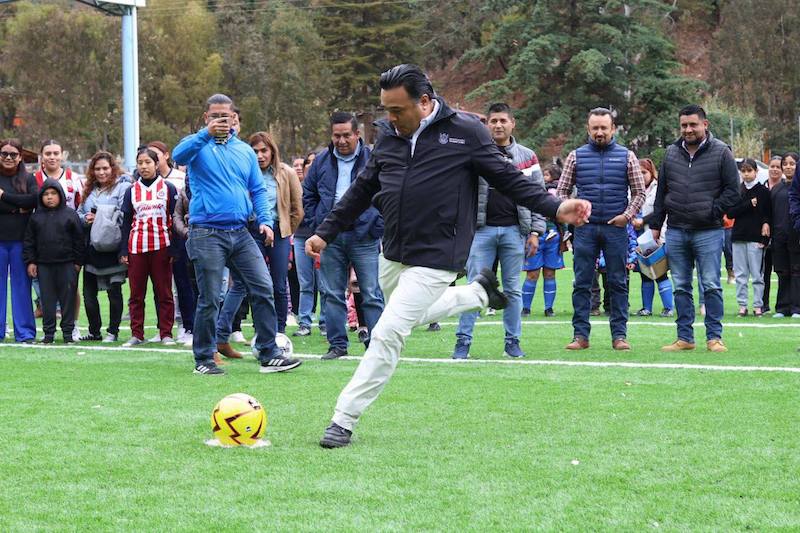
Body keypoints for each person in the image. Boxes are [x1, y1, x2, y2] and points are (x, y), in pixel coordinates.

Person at [305, 64, 590, 448]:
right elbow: (360, 190)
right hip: (393, 250)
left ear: (424, 102)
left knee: (388, 331)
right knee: (404, 317)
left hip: (439, 254)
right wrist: (325, 231)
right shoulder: (389, 136)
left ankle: (343, 419)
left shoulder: (466, 133)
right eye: (385, 110)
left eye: (396, 111)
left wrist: (555, 208)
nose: (388, 119)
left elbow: (507, 179)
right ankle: (476, 295)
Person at [172, 93, 301, 375]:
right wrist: (205, 135)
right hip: (207, 232)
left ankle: (268, 354)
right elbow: (176, 156)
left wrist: (265, 222)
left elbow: (256, 189)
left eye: (226, 116)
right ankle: (204, 359)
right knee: (209, 297)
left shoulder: (244, 151)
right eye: (215, 116)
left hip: (241, 231)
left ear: (234, 119)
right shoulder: (196, 147)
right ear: (206, 118)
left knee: (263, 287)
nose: (221, 121)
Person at [452, 102, 547, 359]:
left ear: (512, 123)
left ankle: (512, 342)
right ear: (487, 125)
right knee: (474, 287)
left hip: (515, 231)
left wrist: (536, 232)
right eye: (493, 121)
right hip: (481, 231)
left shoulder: (527, 156)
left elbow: (538, 195)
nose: (498, 125)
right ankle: (463, 342)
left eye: (503, 120)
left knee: (513, 289)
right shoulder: (475, 154)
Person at [650, 104, 741, 352]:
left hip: (709, 231)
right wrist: (656, 225)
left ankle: (714, 337)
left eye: (693, 124)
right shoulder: (670, 153)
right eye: (684, 125)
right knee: (680, 285)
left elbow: (733, 191)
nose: (688, 129)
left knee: (711, 284)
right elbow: (662, 191)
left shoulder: (722, 152)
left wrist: (712, 211)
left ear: (705, 125)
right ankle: (685, 338)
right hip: (677, 230)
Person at [556, 107, 646, 351]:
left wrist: (626, 217)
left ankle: (619, 336)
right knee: (582, 283)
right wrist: (572, 215)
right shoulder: (576, 156)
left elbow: (640, 192)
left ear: (612, 129)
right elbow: (561, 192)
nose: (599, 132)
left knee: (618, 282)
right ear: (588, 129)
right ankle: (580, 336)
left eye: (603, 128)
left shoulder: (627, 156)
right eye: (594, 128)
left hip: (616, 229)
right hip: (585, 230)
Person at [302, 112, 384, 360]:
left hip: (365, 235)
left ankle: (378, 345)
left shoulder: (374, 159)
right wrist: (319, 224)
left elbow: (386, 193)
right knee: (331, 293)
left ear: (357, 134)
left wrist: (376, 222)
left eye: (347, 135)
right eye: (336, 135)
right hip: (331, 237)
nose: (341, 140)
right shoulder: (321, 162)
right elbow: (309, 195)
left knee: (371, 292)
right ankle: (337, 345)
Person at [214, 131, 303, 357]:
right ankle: (221, 334)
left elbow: (297, 208)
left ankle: (277, 333)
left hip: (279, 232)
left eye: (264, 150)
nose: (260, 155)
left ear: (272, 151)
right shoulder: (243, 172)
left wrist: (285, 230)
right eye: (255, 151)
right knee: (242, 284)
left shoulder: (287, 173)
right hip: (249, 232)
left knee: (278, 284)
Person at [119, 147, 178, 347]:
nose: (144, 167)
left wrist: (175, 249)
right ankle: (137, 334)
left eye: (148, 162)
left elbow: (174, 218)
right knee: (136, 294)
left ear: (156, 164)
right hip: (137, 247)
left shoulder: (168, 188)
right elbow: (126, 222)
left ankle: (166, 333)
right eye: (140, 163)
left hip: (162, 246)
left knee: (164, 292)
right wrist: (123, 250)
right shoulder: (131, 190)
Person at [77, 152, 131, 342]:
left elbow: (126, 215)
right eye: (97, 169)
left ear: (113, 168)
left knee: (114, 291)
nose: (101, 172)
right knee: (88, 294)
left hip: (114, 247)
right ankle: (94, 331)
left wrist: (102, 217)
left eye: (105, 168)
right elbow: (78, 214)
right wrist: (86, 219)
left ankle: (113, 331)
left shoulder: (123, 187)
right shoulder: (88, 190)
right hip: (92, 249)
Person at [23, 180, 85, 343]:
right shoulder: (36, 217)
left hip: (67, 264)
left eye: (53, 194)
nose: (50, 197)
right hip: (44, 266)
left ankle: (67, 333)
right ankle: (48, 333)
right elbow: (29, 242)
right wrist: (31, 262)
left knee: (68, 299)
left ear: (60, 195)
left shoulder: (70, 215)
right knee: (47, 301)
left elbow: (79, 240)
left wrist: (78, 262)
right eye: (46, 194)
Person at [36, 139, 83, 340]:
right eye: (48, 153)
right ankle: (49, 329)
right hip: (43, 243)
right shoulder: (34, 179)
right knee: (45, 291)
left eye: (56, 153)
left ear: (62, 155)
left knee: (72, 288)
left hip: (68, 241)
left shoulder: (75, 179)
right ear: (42, 157)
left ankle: (73, 325)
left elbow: (82, 206)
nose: (52, 157)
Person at [147, 140, 194, 345]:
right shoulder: (144, 183)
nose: (153, 160)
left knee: (183, 283)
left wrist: (182, 232)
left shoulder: (180, 178)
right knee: (161, 286)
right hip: (156, 239)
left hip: (178, 237)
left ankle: (188, 326)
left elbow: (183, 206)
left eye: (156, 155)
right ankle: (163, 327)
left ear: (166, 156)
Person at [0, 139, 38, 342]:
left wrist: (4, 196)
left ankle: (24, 333)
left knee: (22, 286)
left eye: (13, 154)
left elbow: (34, 200)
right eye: (4, 153)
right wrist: (17, 208)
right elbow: (24, 203)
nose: (8, 157)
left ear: (20, 157)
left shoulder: (28, 178)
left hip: (21, 241)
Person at [728, 158, 771, 317]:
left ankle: (758, 305)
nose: (746, 174)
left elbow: (768, 215)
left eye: (749, 171)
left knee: (757, 275)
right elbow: (730, 213)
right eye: (743, 171)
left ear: (756, 171)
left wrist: (764, 239)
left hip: (755, 238)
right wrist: (748, 204)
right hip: (738, 236)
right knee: (740, 275)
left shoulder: (763, 191)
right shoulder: (737, 191)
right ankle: (742, 305)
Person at [521, 163, 565, 317]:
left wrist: (564, 235)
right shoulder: (534, 191)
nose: (543, 177)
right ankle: (525, 308)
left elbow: (564, 214)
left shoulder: (560, 193)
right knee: (532, 273)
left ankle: (549, 308)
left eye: (546, 174)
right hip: (535, 235)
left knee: (550, 273)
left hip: (554, 236)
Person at [632, 158, 674, 317]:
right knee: (645, 274)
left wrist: (643, 221)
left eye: (644, 172)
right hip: (638, 236)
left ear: (651, 172)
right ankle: (646, 308)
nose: (641, 176)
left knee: (659, 271)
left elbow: (660, 211)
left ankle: (669, 307)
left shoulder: (658, 189)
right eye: (638, 172)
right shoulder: (633, 190)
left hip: (656, 234)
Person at [293, 151, 326, 337]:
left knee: (324, 283)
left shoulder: (326, 186)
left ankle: (325, 322)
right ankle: (304, 322)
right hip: (300, 237)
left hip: (322, 238)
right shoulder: (299, 188)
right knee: (305, 282)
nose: (312, 166)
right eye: (309, 163)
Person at [762, 155, 785, 313]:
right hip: (762, 238)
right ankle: (764, 304)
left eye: (778, 166)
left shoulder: (787, 188)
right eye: (772, 166)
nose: (775, 169)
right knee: (764, 274)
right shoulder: (762, 187)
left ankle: (782, 305)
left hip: (780, 237)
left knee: (782, 272)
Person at [780, 152, 800, 318]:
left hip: (794, 234)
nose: (788, 166)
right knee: (786, 271)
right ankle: (785, 307)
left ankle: (796, 307)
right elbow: (795, 196)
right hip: (786, 234)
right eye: (785, 163)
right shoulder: (778, 189)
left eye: (791, 163)